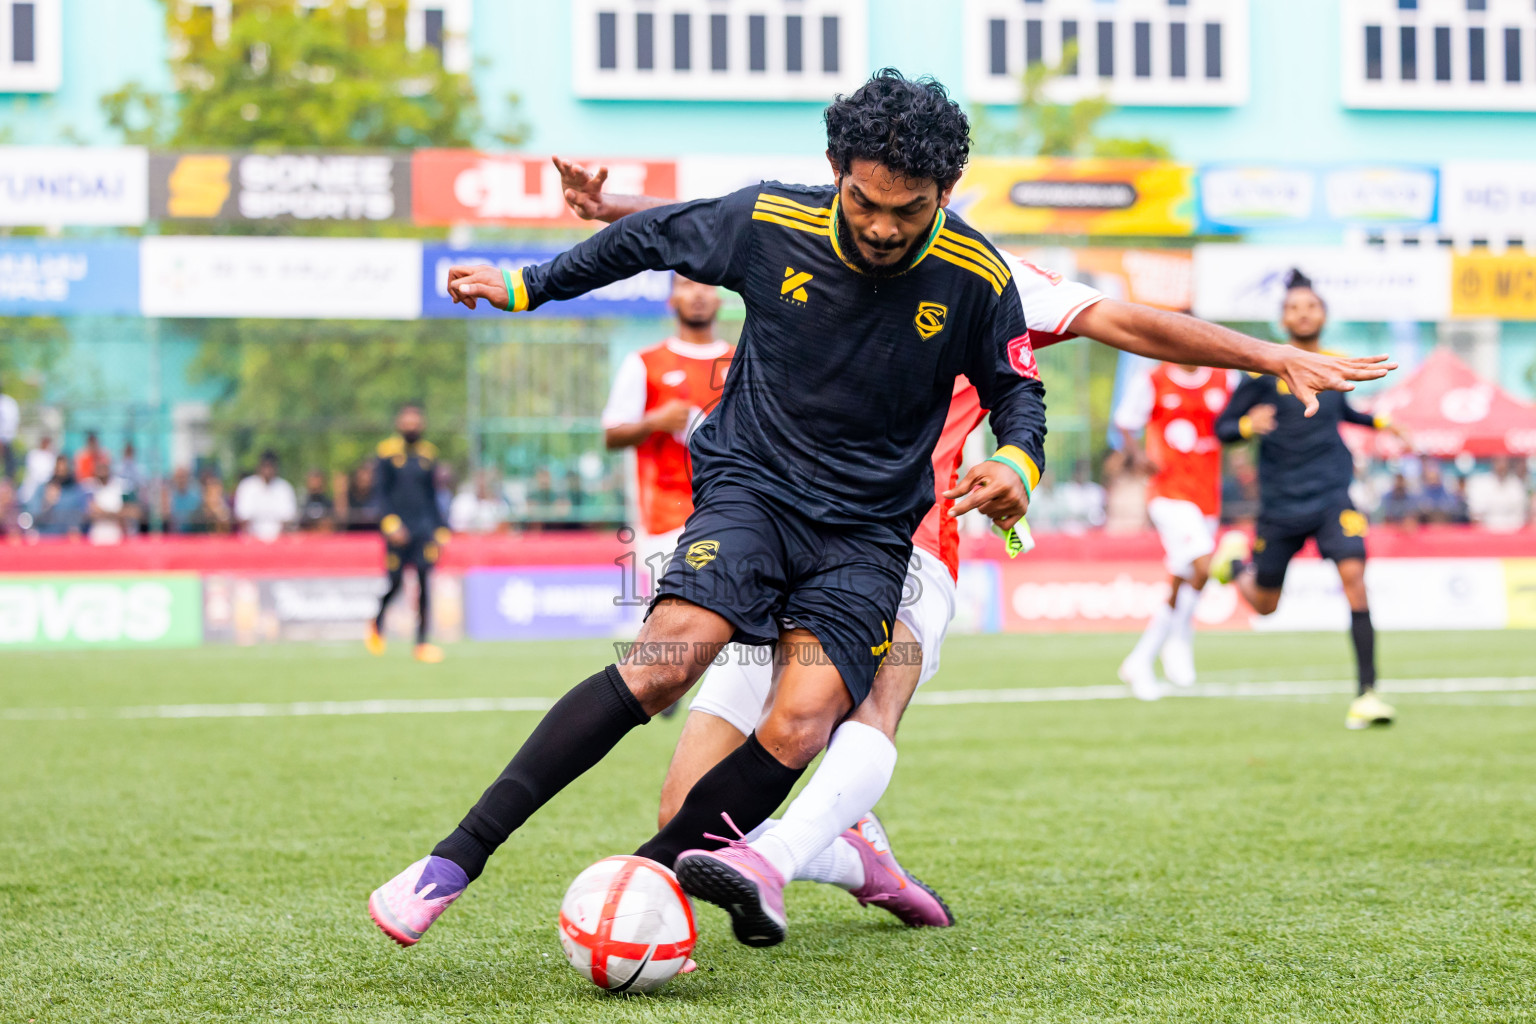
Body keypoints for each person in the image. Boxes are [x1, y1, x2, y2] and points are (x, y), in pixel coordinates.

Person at [368, 72, 1395, 952]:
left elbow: (1053, 372)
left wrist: (1031, 460)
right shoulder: (782, 219)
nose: (883, 227)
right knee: (667, 663)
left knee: (811, 720)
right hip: (754, 495)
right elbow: (678, 231)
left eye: (909, 208)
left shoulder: (987, 275)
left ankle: (687, 877)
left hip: (886, 535)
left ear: (947, 192)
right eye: (865, 202)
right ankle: (459, 859)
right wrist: (531, 278)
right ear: (837, 175)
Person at [1213, 270, 1407, 731]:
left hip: (1331, 495)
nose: (1303, 314)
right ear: (1283, 320)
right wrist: (1247, 426)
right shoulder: (1261, 371)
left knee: (1355, 578)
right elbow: (1222, 428)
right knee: (1265, 605)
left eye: (1311, 306)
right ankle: (1237, 566)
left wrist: (1382, 424)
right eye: (1294, 308)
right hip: (1280, 502)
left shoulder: (1335, 364)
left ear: (1323, 315)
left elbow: (1345, 410)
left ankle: (1367, 696)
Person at [1113, 362, 1233, 699]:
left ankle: (1140, 659)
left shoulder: (1226, 378)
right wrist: (1137, 456)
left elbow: (1237, 422)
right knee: (1203, 565)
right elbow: (1125, 422)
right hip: (1168, 493)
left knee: (1184, 577)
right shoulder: (1154, 379)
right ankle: (1179, 641)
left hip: (1207, 495)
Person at [601, 273, 735, 576]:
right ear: (671, 299)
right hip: (667, 520)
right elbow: (612, 434)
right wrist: (654, 422)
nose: (697, 293)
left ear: (719, 298)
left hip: (731, 515)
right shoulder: (644, 362)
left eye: (705, 284)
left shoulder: (740, 363)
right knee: (674, 603)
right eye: (687, 285)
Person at [365, 403, 451, 664]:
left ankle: (422, 642)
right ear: (399, 424)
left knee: (424, 582)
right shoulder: (386, 452)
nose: (412, 426)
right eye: (407, 421)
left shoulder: (428, 454)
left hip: (423, 529)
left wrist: (440, 529)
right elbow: (380, 493)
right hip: (397, 529)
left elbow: (432, 495)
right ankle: (377, 624)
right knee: (395, 582)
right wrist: (390, 524)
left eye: (416, 422)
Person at [233, 451, 298, 542]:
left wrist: (276, 541)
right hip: (250, 540)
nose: (268, 470)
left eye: (271, 466)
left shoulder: (284, 488)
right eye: (265, 466)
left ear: (276, 468)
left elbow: (288, 519)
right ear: (258, 467)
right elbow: (242, 517)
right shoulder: (247, 486)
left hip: (280, 541)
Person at [1466, 456, 1529, 532]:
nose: (1502, 465)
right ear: (1493, 462)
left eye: (1504, 461)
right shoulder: (1480, 483)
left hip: (1513, 531)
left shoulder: (1516, 484)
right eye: (1499, 461)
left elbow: (1522, 514)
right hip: (1486, 532)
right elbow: (1475, 515)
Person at [163, 466, 203, 534]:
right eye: (178, 477)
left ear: (188, 478)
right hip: (173, 535)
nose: (181, 480)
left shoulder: (196, 497)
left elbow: (198, 518)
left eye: (183, 477)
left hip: (192, 534)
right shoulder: (169, 496)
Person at [19, 435, 55, 505]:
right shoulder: (33, 454)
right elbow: (33, 469)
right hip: (33, 484)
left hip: (45, 485)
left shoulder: (51, 456)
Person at [0, 377, 18, 481]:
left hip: (5, 440)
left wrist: (3, 439)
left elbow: (10, 424)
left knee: (9, 472)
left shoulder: (8, 403)